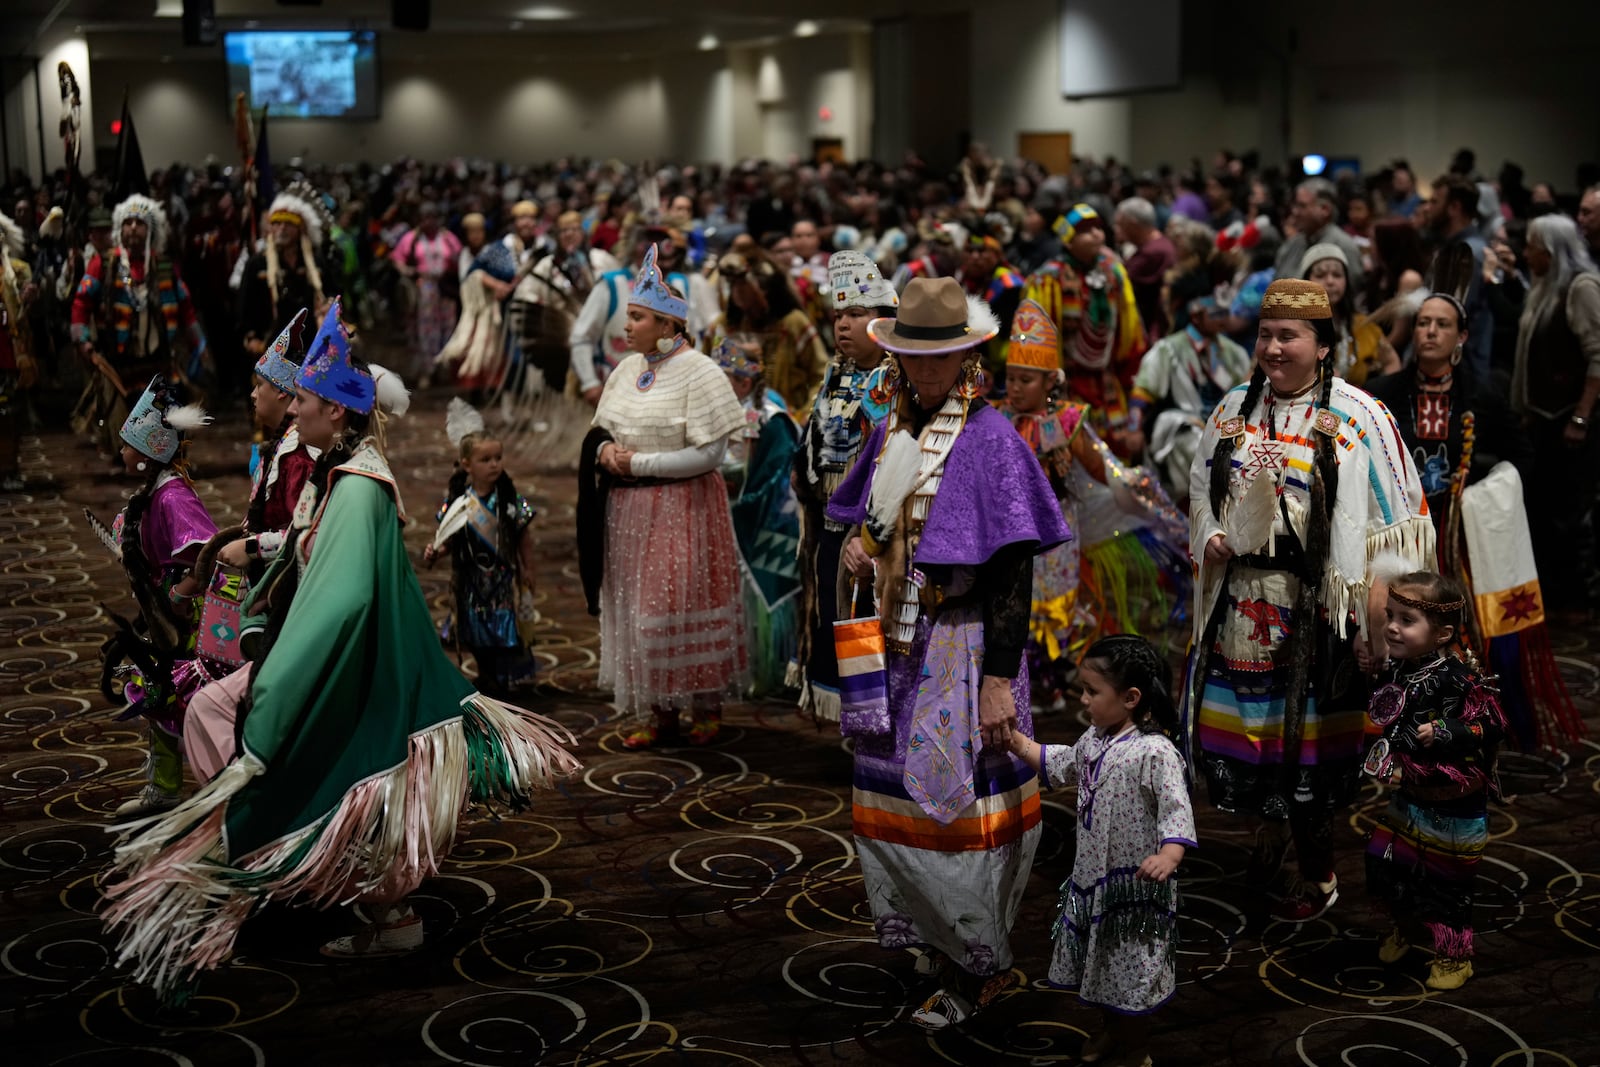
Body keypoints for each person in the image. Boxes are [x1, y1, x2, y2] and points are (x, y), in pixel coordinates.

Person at [110, 300, 579, 1000]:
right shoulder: (342, 467)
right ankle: (311, 877)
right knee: (230, 721)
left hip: (360, 673)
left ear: (335, 410)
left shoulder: (357, 486)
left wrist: (278, 685)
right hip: (350, 661)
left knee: (341, 773)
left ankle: (379, 909)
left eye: (301, 397)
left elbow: (343, 600)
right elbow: (316, 553)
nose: (292, 408)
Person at [824, 277, 1070, 1030]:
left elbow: (1011, 569)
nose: (924, 374)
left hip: (962, 652)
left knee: (960, 810)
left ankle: (982, 961)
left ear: (968, 358)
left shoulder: (990, 439)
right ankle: (936, 936)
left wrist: (999, 679)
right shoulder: (893, 429)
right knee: (893, 798)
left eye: (941, 360)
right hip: (898, 653)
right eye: (911, 360)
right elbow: (868, 517)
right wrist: (865, 548)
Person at [1188, 278, 1433, 923]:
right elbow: (1198, 485)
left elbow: (1395, 518)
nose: (1272, 348)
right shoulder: (1233, 409)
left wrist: (1378, 615)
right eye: (1265, 335)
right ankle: (1268, 834)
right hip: (1241, 604)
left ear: (1323, 346)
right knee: (1247, 738)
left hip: (1317, 612)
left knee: (1308, 754)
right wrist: (1212, 535)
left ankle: (1319, 872)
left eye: (1288, 336)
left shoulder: (1359, 416)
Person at [582, 245, 748, 748]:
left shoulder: (700, 371)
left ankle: (705, 703)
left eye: (636, 318)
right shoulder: (625, 370)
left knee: (677, 605)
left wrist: (639, 463)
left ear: (667, 325)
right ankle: (658, 709)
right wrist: (607, 452)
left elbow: (712, 452)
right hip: (629, 509)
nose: (625, 327)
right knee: (640, 609)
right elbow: (600, 431)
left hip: (684, 505)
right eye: (628, 316)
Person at [1008, 635, 1195, 1066]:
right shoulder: (1095, 738)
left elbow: (1176, 808)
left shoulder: (1156, 751)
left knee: (1130, 978)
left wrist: (1170, 854)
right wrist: (1018, 744)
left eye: (1093, 692)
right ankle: (1113, 1034)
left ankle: (1135, 1051)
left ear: (1131, 698)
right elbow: (1063, 762)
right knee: (1105, 971)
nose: (1084, 699)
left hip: (1132, 894)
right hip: (1093, 881)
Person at [997, 299, 1188, 710]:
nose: (1013, 388)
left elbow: (1104, 472)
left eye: (1025, 379)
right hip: (1008, 529)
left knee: (1049, 607)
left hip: (1053, 533)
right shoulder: (996, 416)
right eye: (1010, 378)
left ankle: (1049, 681)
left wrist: (1133, 486)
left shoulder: (1067, 422)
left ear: (1050, 382)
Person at [1363, 571, 1505, 992]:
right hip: (1410, 797)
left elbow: (1495, 724)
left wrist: (1448, 731)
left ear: (1442, 633)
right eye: (1391, 615)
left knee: (1447, 886)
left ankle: (1454, 956)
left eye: (1407, 620)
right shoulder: (1399, 669)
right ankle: (1407, 926)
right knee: (1386, 866)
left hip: (1454, 804)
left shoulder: (1459, 678)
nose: (1392, 626)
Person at [101, 377, 218, 817]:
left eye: (127, 442)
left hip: (187, 620)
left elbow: (205, 554)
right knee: (160, 697)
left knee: (183, 698)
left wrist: (177, 596)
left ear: (148, 451)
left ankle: (221, 782)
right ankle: (165, 788)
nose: (120, 448)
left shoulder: (172, 497)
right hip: (164, 617)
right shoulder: (153, 493)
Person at [791, 250, 897, 723]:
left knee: (871, 623)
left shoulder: (895, 380)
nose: (843, 325)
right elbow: (815, 432)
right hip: (831, 522)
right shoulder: (836, 374)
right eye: (838, 316)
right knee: (836, 620)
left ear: (884, 319)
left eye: (856, 314)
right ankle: (855, 725)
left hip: (876, 529)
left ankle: (877, 723)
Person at [70, 194, 206, 469]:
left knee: (167, 415)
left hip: (159, 360)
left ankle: (167, 457)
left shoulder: (164, 266)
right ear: (120, 229)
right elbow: (81, 303)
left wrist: (198, 344)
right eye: (128, 222)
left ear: (150, 230)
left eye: (139, 223)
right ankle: (131, 458)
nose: (133, 228)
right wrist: (82, 339)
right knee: (123, 423)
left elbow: (186, 307)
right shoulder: (104, 264)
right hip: (118, 363)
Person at [1509, 214, 1600, 616]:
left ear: (1551, 250)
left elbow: (1598, 357)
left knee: (1568, 514)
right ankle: (1557, 595)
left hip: (1569, 421)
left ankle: (1576, 599)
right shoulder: (1545, 287)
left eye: (1532, 245)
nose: (1526, 253)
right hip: (1542, 420)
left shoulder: (1581, 288)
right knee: (1546, 512)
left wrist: (1581, 416)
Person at [422, 399, 538, 697]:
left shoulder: (508, 498)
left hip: (499, 578)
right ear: (467, 465)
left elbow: (524, 533)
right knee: (473, 629)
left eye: (498, 458)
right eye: (486, 460)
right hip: (470, 578)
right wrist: (436, 551)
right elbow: (447, 536)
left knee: (501, 630)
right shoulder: (460, 501)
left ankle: (499, 676)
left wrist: (528, 567)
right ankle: (486, 673)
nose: (495, 465)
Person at [714, 336, 802, 696]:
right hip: (739, 509)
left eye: (723, 380)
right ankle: (749, 667)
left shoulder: (767, 415)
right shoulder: (728, 410)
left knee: (767, 593)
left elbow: (777, 473)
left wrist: (743, 496)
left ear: (744, 382)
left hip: (772, 517)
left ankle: (776, 668)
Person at [1025, 205, 1147, 445]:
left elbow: (1127, 331)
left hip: (1106, 380)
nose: (1096, 234)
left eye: (1098, 228)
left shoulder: (1114, 272)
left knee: (1115, 449)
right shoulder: (1048, 280)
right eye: (1085, 230)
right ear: (1068, 241)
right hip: (1067, 382)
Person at [1129, 296, 1253, 503]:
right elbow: (1143, 392)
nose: (1222, 319)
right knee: (1193, 442)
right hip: (1183, 428)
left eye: (1225, 312)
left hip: (1227, 426)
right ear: (1196, 316)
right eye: (1215, 313)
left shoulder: (1234, 353)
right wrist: (1134, 430)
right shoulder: (1168, 349)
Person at [715, 249, 829, 418]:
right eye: (732, 284)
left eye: (742, 284)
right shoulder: (725, 326)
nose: (736, 291)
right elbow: (709, 373)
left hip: (787, 421)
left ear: (764, 289)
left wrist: (806, 416)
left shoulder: (794, 324)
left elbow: (821, 374)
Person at [238, 182, 337, 360]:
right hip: (271, 346)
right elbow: (245, 307)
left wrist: (328, 305)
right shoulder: (258, 264)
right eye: (277, 223)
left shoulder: (315, 262)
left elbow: (332, 291)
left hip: (311, 345)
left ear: (301, 229)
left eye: (288, 223)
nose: (282, 228)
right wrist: (251, 337)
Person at [434, 212, 517, 394]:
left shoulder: (494, 254)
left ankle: (490, 387)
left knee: (490, 347)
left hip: (491, 310)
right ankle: (472, 389)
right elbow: (450, 281)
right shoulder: (459, 257)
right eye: (471, 232)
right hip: (468, 312)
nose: (476, 236)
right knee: (469, 346)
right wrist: (461, 295)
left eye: (479, 231)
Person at [1300, 243, 1399, 385]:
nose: (1330, 281)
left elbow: (1391, 361)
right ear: (1305, 281)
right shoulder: (1294, 326)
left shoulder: (1363, 325)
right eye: (1321, 275)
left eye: (1337, 275)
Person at [391, 202, 462, 382]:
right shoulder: (411, 238)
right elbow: (397, 258)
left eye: (432, 217)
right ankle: (427, 370)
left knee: (447, 326)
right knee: (426, 329)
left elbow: (460, 257)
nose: (428, 222)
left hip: (445, 286)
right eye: (424, 218)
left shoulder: (447, 238)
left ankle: (444, 367)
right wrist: (407, 271)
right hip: (425, 287)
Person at [0, 208, 38, 491]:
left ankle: (10, 468)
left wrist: (32, 295)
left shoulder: (18, 270)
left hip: (9, 356)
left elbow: (31, 308)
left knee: (10, 415)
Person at [1274, 178, 1365, 292]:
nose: (1295, 212)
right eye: (1295, 206)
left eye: (1302, 206)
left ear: (1324, 209)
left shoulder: (1344, 246)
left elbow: (1351, 294)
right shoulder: (1291, 244)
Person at [1115, 196, 1177, 340]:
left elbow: (1121, 282)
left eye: (1120, 225)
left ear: (1132, 225)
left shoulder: (1153, 253)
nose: (1116, 229)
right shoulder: (1158, 245)